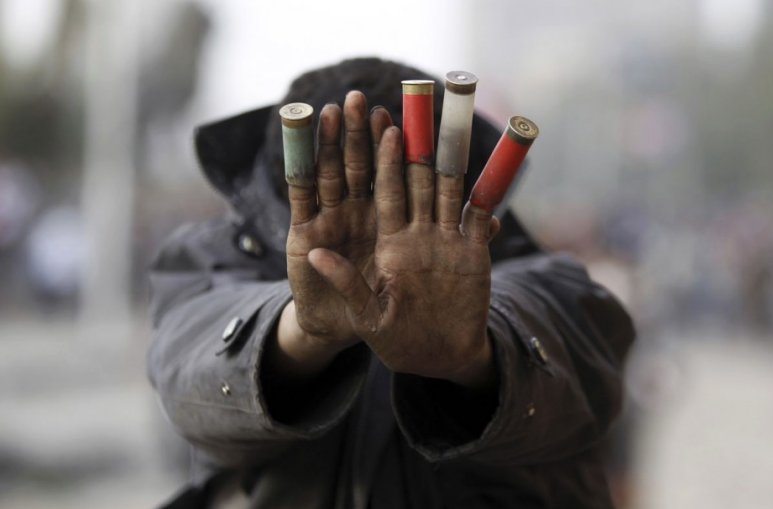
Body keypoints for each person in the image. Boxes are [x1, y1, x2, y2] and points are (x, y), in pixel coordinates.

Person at [147, 57, 635, 509]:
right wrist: (300, 331)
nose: (382, 260)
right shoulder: (208, 262)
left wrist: (477, 355)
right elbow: (188, 371)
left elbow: (575, 362)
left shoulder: (550, 286)